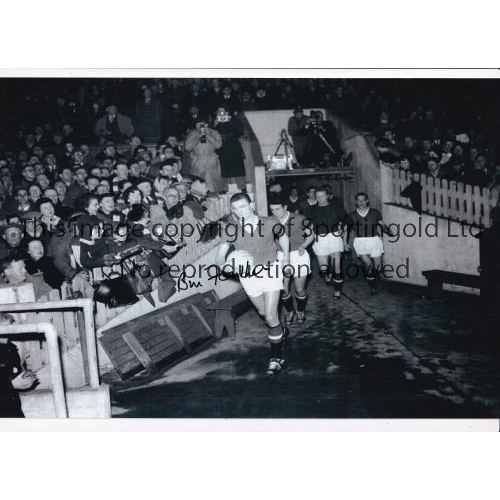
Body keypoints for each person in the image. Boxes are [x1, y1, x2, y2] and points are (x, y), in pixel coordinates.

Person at [215, 193, 290, 375]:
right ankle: (281, 330)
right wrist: (224, 266)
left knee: (271, 316)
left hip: (270, 270)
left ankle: (276, 358)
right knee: (265, 314)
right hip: (248, 276)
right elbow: (219, 256)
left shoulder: (270, 222)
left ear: (252, 205)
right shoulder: (231, 229)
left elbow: (283, 238)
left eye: (243, 206)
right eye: (235, 208)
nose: (239, 211)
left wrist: (286, 258)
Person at [269, 196, 315, 325]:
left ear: (285, 207)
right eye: (272, 210)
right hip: (280, 256)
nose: (274, 212)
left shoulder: (299, 218)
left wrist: (304, 245)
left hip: (298, 255)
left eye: (277, 209)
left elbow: (311, 234)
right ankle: (290, 311)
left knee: (299, 289)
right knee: (283, 289)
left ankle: (300, 310)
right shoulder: (270, 221)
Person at [305, 187, 348, 299]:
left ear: (328, 196)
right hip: (319, 239)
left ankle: (337, 292)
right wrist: (307, 231)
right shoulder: (311, 209)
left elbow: (346, 222)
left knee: (336, 267)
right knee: (323, 270)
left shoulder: (336, 208)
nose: (319, 198)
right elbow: (307, 224)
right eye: (317, 196)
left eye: (322, 196)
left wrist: (343, 233)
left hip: (334, 237)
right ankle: (327, 275)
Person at [346, 192, 393, 293]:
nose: (361, 202)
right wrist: (345, 243)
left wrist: (387, 230)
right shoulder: (351, 215)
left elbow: (381, 224)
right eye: (359, 200)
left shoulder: (375, 212)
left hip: (374, 240)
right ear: (356, 202)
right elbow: (346, 230)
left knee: (377, 267)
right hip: (360, 241)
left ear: (367, 201)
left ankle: (373, 278)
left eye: (363, 200)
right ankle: (372, 286)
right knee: (367, 263)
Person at [0, 317, 38, 418]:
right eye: (5, 328)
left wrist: (25, 377)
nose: (9, 332)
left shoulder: (11, 348)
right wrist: (11, 384)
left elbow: (13, 373)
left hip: (13, 407)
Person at [184, 121, 223, 193]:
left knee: (212, 183)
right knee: (198, 183)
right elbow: (187, 147)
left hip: (211, 160)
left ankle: (214, 197)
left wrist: (207, 135)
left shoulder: (214, 132)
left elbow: (218, 145)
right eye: (199, 124)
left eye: (203, 124)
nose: (201, 126)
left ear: (206, 124)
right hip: (198, 161)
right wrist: (197, 137)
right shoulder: (192, 133)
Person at [213, 107, 246, 189]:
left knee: (239, 172)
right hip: (222, 150)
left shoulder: (233, 121)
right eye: (219, 112)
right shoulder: (215, 123)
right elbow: (212, 136)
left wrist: (231, 120)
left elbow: (241, 132)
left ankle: (242, 189)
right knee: (224, 173)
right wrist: (215, 125)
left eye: (223, 112)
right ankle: (224, 191)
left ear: (227, 112)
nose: (222, 114)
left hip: (235, 149)